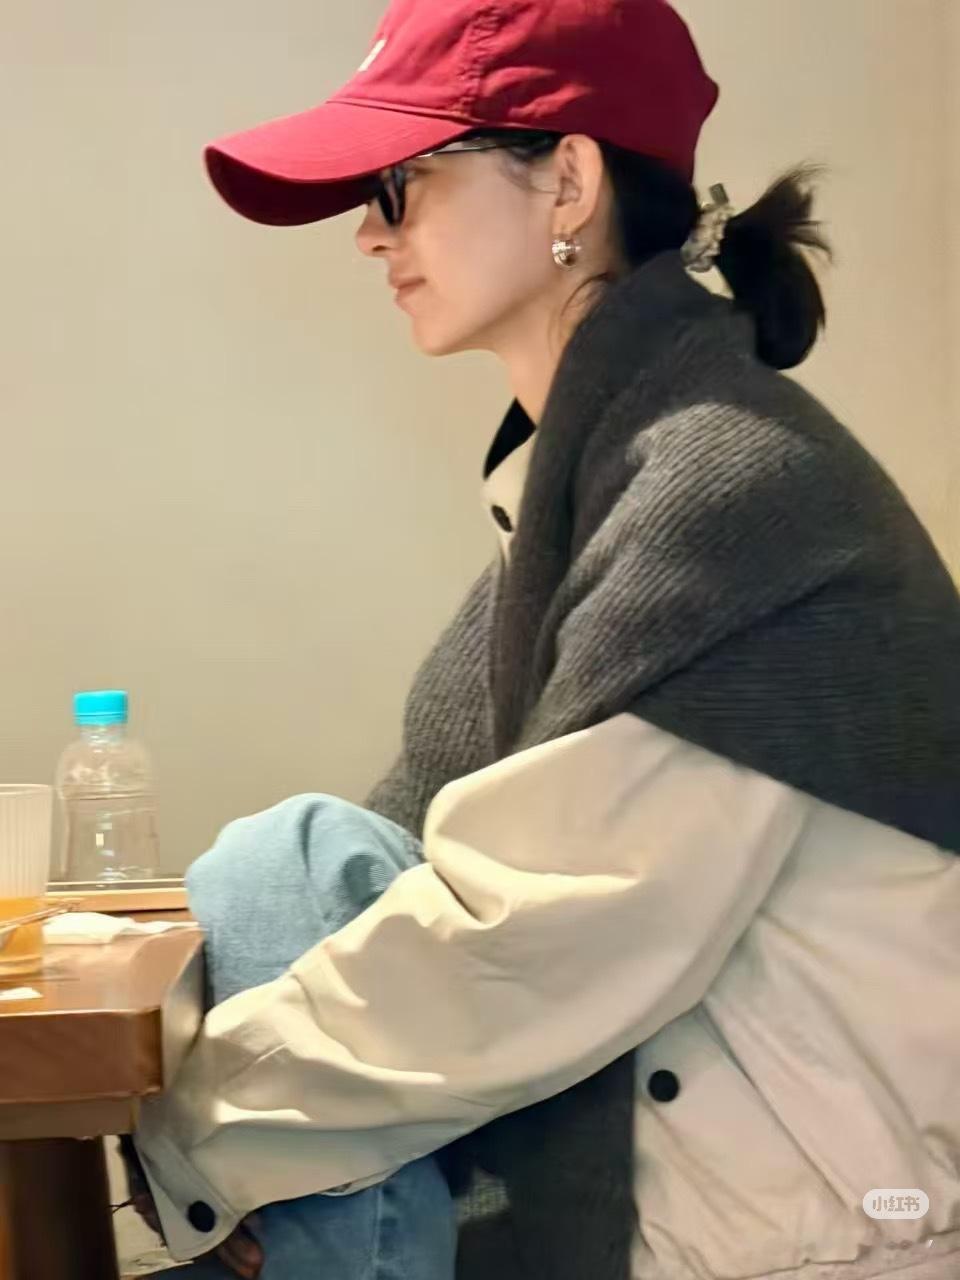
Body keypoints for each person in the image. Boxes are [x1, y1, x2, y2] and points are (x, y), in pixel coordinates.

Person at [129, 1, 960, 1277]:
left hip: (794, 1245)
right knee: (284, 861)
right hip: (703, 1213)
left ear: (567, 179)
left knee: (285, 869)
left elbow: (534, 944)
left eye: (400, 184)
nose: (369, 233)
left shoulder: (727, 489)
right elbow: (411, 853)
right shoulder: (592, 486)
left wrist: (193, 1126)